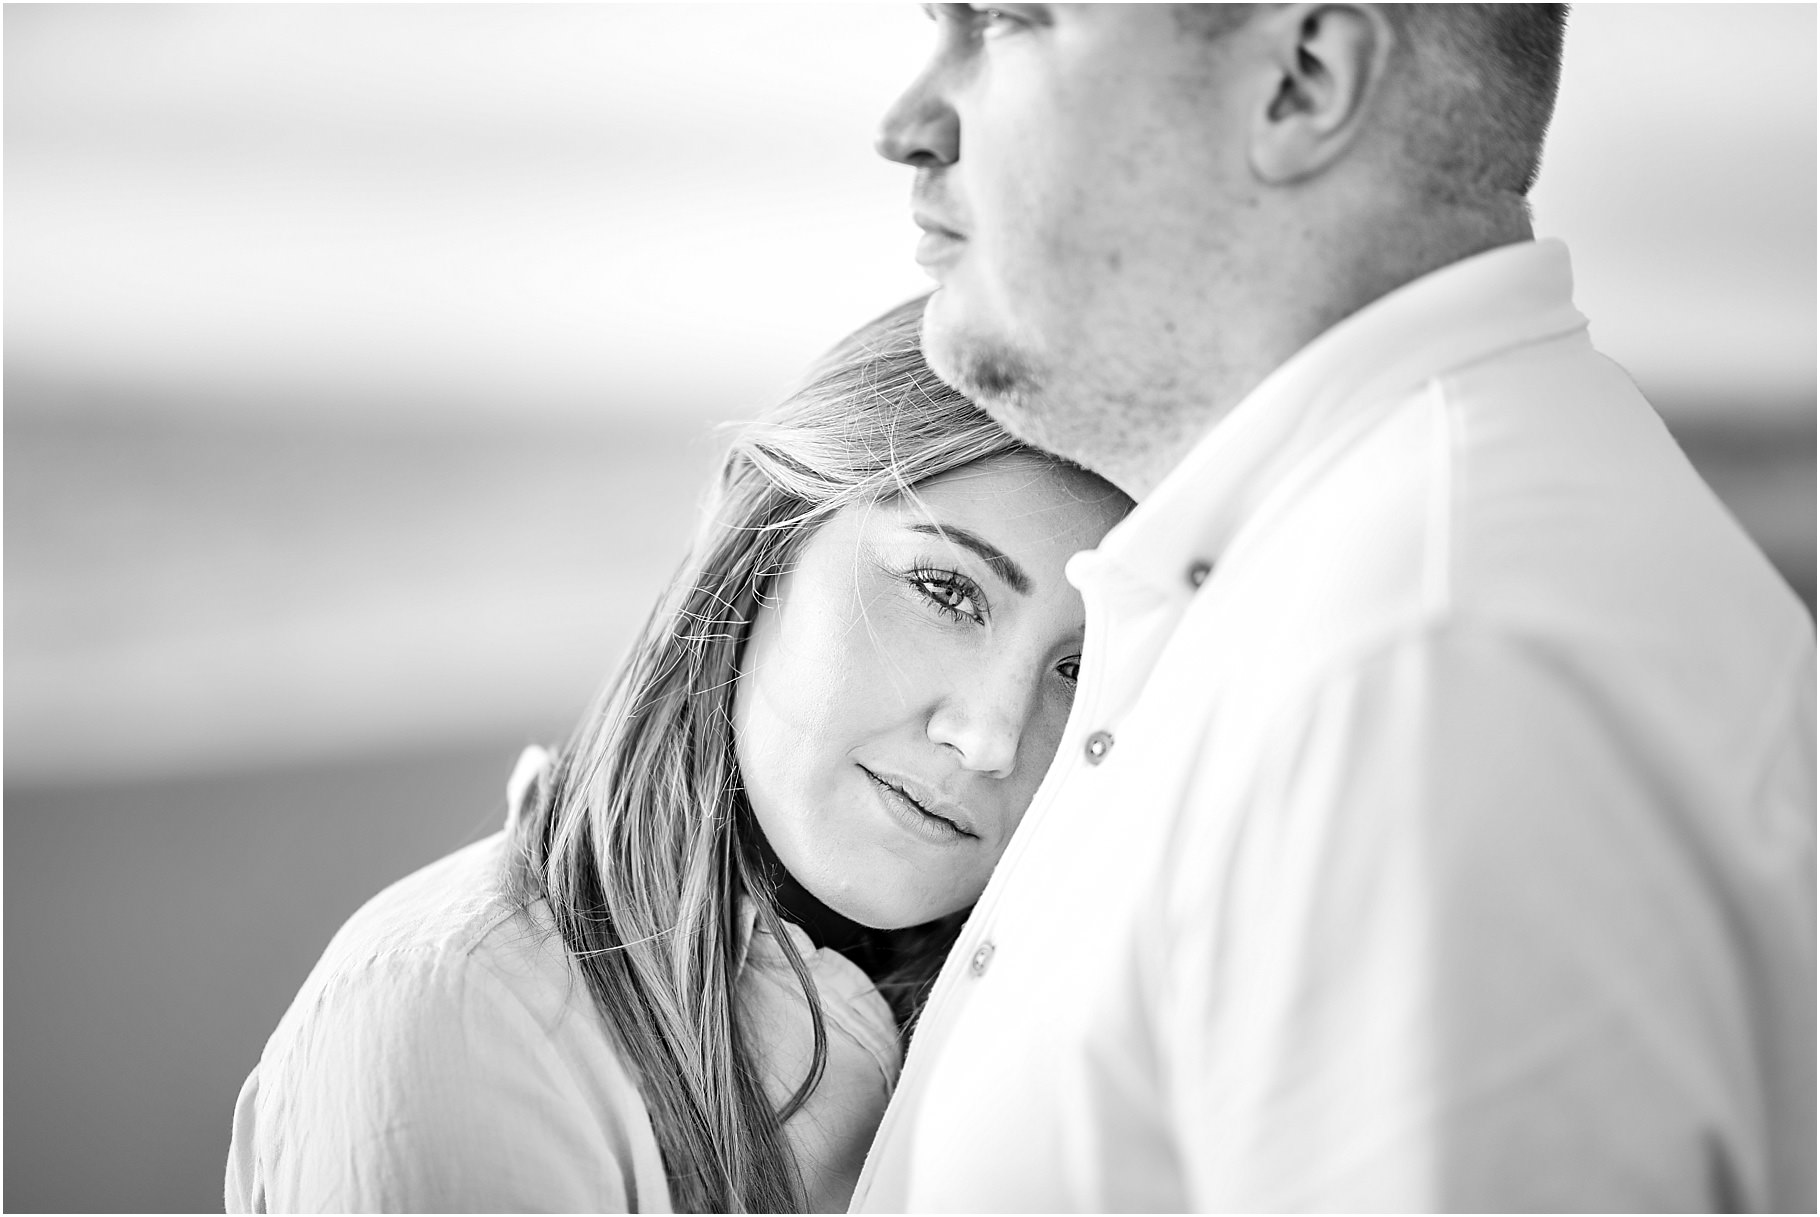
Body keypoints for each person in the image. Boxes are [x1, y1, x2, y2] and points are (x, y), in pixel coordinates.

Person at [856, 4, 1814, 1211]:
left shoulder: (1422, 666)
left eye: (1002, 23)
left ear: (1302, 80)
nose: (908, 126)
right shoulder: (1361, 577)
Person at [224, 297, 1129, 1213]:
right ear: (760, 542)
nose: (991, 737)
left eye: (1082, 668)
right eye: (945, 590)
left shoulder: (1083, 1055)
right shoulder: (464, 1017)